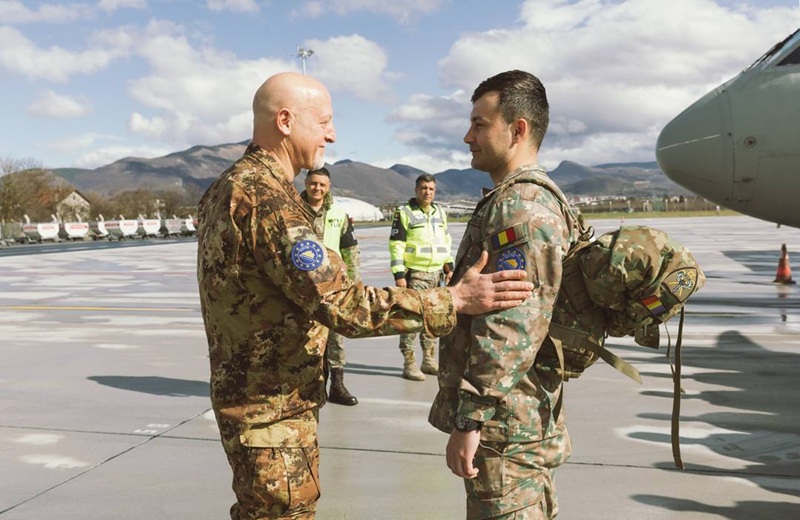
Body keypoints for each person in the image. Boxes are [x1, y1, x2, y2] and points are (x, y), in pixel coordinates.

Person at [196, 71, 535, 520]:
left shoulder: (228, 187)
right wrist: (451, 300)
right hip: (271, 412)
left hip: (253, 401)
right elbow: (344, 304)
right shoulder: (268, 201)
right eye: (323, 122)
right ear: (284, 121)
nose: (331, 135)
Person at [428, 70, 579, 519]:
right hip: (516, 418)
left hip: (505, 426)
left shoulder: (522, 206)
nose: (467, 136)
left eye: (479, 124)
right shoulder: (515, 198)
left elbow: (510, 326)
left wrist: (471, 418)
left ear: (518, 130)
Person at [300, 166, 360, 406]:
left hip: (333, 285)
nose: (318, 188)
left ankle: (336, 384)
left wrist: (353, 283)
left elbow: (350, 249)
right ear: (306, 183)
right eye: (314, 183)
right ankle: (309, 388)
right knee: (303, 338)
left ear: (328, 186)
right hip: (301, 285)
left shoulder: (338, 213)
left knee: (335, 336)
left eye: (322, 184)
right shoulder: (292, 209)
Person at [389, 173, 454, 381]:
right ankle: (409, 362)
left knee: (433, 318)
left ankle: (428, 359)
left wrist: (448, 266)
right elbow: (396, 245)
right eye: (424, 188)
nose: (428, 192)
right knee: (411, 319)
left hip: (437, 274)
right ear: (416, 190)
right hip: (415, 274)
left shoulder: (440, 213)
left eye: (431, 189)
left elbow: (445, 241)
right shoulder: (404, 213)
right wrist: (399, 274)